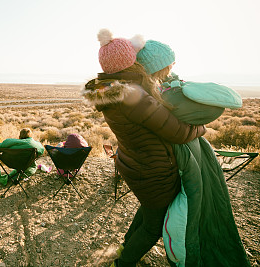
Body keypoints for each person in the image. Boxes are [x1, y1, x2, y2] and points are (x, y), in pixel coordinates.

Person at [82, 29, 206, 266]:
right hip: (152, 171)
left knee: (149, 210)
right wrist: (201, 129)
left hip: (136, 164)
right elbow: (178, 132)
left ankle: (125, 249)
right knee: (154, 226)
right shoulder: (133, 96)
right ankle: (123, 262)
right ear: (131, 60)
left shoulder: (110, 89)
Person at [135, 39, 250, 266]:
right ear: (162, 66)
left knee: (150, 215)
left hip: (167, 164)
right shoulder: (168, 97)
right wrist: (198, 123)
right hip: (177, 166)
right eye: (170, 62)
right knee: (174, 219)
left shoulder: (151, 93)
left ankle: (126, 254)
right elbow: (223, 102)